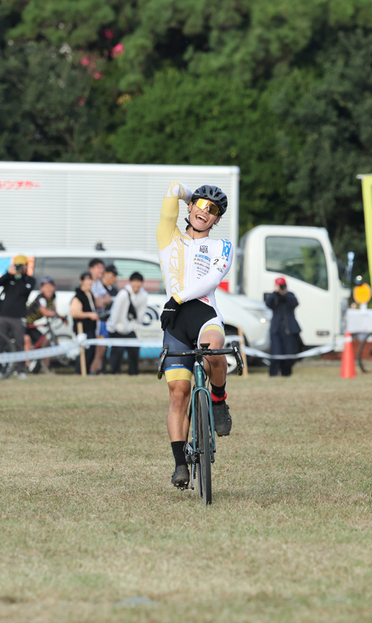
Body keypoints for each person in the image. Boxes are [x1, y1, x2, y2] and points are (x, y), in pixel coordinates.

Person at [157, 181, 234, 489]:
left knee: (215, 350)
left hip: (203, 315)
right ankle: (179, 464)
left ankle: (218, 398)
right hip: (176, 325)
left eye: (212, 210)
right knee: (178, 395)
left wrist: (176, 299)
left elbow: (212, 280)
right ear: (188, 207)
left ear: (217, 220)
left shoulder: (221, 246)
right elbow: (173, 188)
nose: (204, 212)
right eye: (200, 206)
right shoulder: (169, 237)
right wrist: (195, 198)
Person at [0, 254, 36, 380]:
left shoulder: (29, 280)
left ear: (26, 266)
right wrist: (9, 273)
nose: (18, 268)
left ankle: (20, 370)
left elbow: (24, 291)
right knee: (0, 343)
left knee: (20, 343)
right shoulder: (9, 278)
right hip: (4, 315)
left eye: (21, 266)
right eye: (17, 265)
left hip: (18, 317)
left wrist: (19, 277)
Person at [107, 271, 148, 375]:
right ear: (130, 282)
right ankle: (115, 372)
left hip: (130, 329)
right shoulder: (123, 294)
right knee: (117, 352)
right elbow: (115, 312)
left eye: (139, 282)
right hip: (117, 328)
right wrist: (112, 328)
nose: (137, 284)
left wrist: (134, 326)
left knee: (134, 349)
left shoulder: (143, 296)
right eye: (134, 281)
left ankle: (133, 372)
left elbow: (140, 314)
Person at [265, 277, 301, 377]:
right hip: (276, 329)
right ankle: (273, 374)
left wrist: (284, 294)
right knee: (276, 353)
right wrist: (275, 293)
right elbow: (268, 304)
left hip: (289, 329)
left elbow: (295, 303)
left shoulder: (290, 295)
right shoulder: (273, 296)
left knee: (289, 353)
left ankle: (287, 373)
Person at [89, 261, 116, 374]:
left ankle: (97, 370)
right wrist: (102, 301)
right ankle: (92, 371)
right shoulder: (90, 283)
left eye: (102, 268)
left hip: (103, 321)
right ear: (91, 269)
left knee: (102, 348)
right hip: (94, 322)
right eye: (98, 267)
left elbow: (107, 299)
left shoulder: (99, 284)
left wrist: (101, 301)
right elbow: (98, 303)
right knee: (96, 349)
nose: (101, 270)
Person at [69, 272, 98, 374]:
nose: (89, 282)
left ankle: (87, 371)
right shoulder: (78, 296)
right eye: (86, 280)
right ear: (81, 282)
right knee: (83, 353)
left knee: (91, 352)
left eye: (90, 280)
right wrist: (89, 315)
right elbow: (74, 313)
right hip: (82, 329)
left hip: (91, 328)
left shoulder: (90, 294)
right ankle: (79, 372)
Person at [25, 276, 59, 352]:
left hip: (30, 325)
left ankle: (43, 364)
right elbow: (45, 312)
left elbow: (53, 310)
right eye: (46, 286)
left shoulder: (53, 297)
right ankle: (26, 364)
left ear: (54, 287)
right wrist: (55, 314)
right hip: (24, 324)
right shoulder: (41, 298)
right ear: (41, 288)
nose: (49, 289)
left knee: (46, 344)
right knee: (27, 342)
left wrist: (61, 316)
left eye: (50, 286)